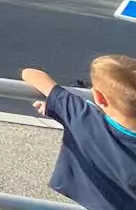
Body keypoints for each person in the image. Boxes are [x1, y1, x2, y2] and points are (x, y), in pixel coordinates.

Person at [22, 56, 136, 210]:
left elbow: (30, 74)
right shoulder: (80, 114)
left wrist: (58, 107)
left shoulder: (82, 116)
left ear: (99, 97)